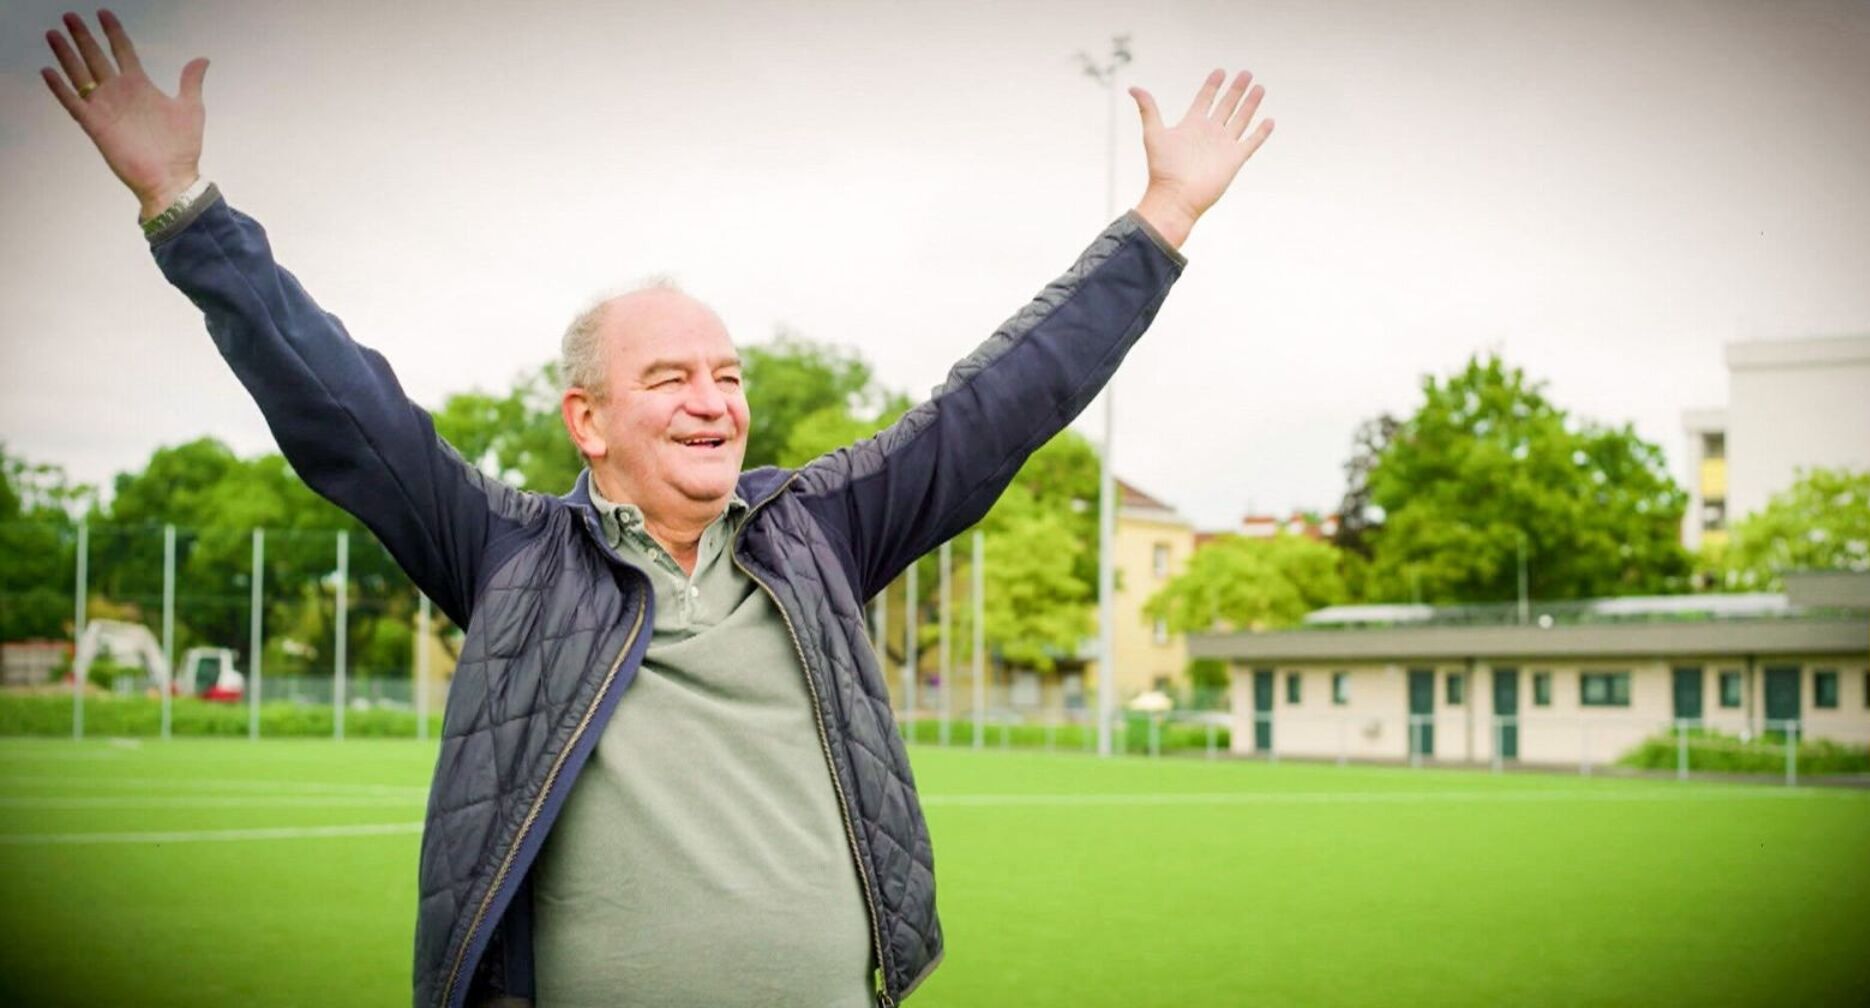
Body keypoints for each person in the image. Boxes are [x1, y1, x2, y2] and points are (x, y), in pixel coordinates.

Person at [42, 9, 1272, 1007]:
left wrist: (1161, 221)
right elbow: (340, 408)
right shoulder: (512, 556)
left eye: (728, 376)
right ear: (588, 420)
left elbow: (997, 404)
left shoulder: (818, 534)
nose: (713, 402)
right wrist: (185, 208)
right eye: (671, 377)